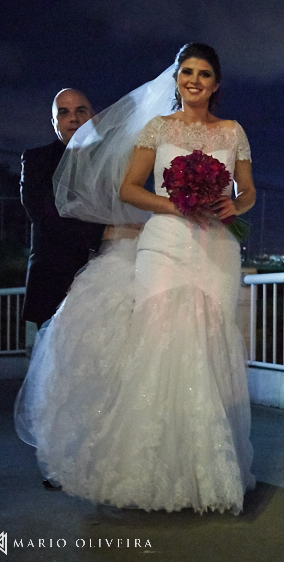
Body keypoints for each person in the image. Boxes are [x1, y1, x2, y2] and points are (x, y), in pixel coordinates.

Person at [15, 43, 257, 514]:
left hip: (216, 249)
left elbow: (246, 190)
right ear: (176, 78)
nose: (194, 80)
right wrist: (176, 204)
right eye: (187, 71)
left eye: (204, 74)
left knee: (211, 346)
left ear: (216, 83)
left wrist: (235, 204)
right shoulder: (156, 128)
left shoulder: (233, 132)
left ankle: (207, 466)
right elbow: (129, 188)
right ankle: (149, 468)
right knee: (161, 343)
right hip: (167, 242)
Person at [20, 89, 105, 327]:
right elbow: (46, 218)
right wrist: (105, 234)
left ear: (94, 117)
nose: (74, 118)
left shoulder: (111, 160)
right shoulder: (37, 160)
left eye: (81, 111)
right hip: (54, 283)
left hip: (107, 283)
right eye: (64, 113)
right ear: (54, 122)